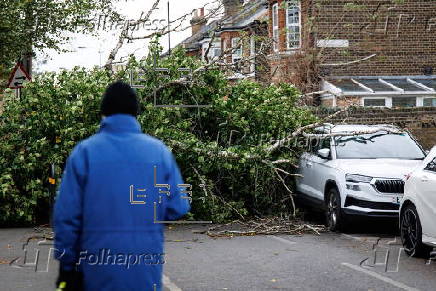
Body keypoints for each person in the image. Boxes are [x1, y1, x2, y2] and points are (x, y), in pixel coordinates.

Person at [53, 81, 190, 291]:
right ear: (136, 113)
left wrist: (67, 265)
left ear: (103, 113)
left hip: (97, 265)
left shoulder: (85, 153)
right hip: (145, 265)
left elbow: (67, 216)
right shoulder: (159, 152)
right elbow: (178, 206)